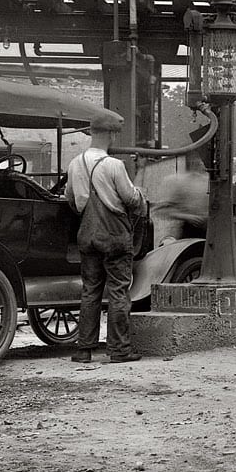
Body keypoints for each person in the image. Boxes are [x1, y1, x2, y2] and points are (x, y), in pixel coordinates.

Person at [66, 115, 146, 364]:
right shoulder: (114, 165)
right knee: (118, 291)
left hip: (87, 235)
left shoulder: (74, 163)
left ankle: (83, 349)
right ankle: (119, 350)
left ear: (91, 133)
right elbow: (131, 200)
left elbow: (70, 199)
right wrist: (141, 195)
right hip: (114, 236)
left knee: (90, 291)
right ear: (111, 135)